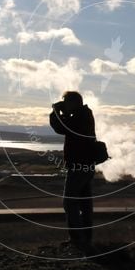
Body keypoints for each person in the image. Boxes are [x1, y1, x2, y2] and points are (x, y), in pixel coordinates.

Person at [49, 91, 96, 253]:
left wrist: (56, 112)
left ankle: (77, 239)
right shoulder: (83, 114)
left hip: (78, 166)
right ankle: (86, 239)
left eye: (66, 102)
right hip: (87, 166)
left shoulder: (79, 117)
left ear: (73, 103)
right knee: (84, 203)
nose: (64, 105)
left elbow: (61, 127)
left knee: (70, 203)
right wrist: (63, 111)